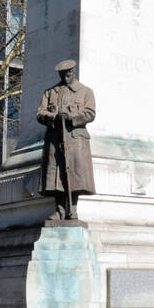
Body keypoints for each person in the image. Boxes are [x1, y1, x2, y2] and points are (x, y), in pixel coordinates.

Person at [37, 59, 96, 222]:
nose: (66, 78)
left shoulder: (85, 92)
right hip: (55, 139)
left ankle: (73, 209)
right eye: (63, 75)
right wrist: (53, 117)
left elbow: (90, 113)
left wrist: (71, 118)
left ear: (74, 72)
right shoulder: (50, 92)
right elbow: (40, 113)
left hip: (75, 140)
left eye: (68, 74)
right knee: (56, 175)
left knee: (75, 175)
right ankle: (60, 210)